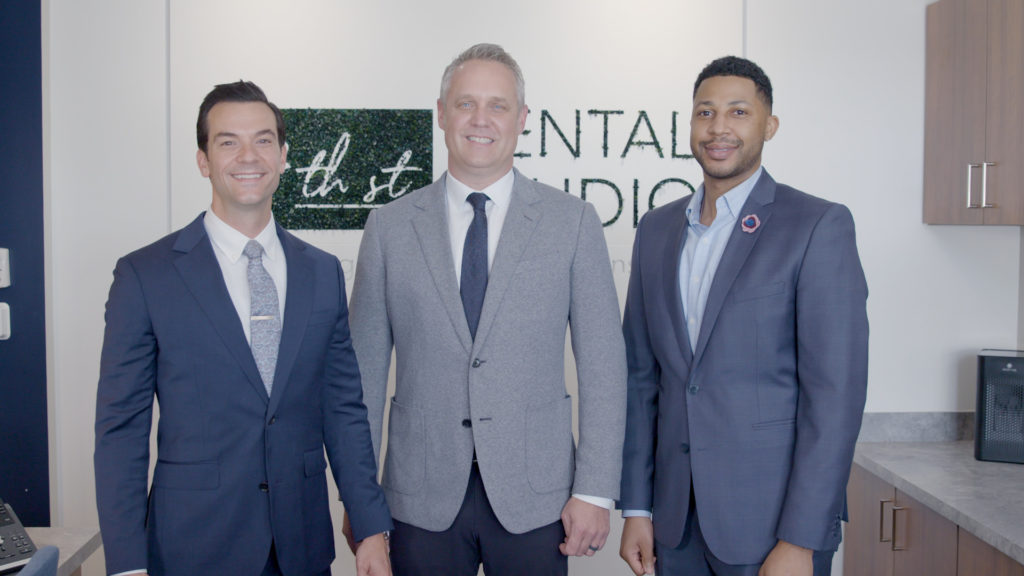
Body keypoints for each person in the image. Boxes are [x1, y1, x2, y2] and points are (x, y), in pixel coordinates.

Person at [347, 43, 627, 576]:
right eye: (465, 103)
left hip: (538, 496)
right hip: (418, 497)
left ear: (522, 119)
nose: (480, 120)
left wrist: (596, 488)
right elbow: (361, 378)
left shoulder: (572, 222)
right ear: (441, 113)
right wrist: (360, 502)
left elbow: (605, 368)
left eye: (497, 105)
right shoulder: (388, 227)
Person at [94, 80, 393, 576]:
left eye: (263, 140)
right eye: (227, 141)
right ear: (203, 160)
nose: (247, 156)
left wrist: (370, 528)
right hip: (193, 547)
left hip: (300, 546)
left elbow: (343, 409)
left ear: (283, 156)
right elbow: (121, 432)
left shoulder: (321, 272)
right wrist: (126, 564)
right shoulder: (145, 275)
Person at [617, 56, 869, 576]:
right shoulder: (656, 230)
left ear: (769, 125)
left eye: (738, 112)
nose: (719, 128)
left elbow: (834, 398)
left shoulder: (817, 225)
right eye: (705, 113)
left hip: (772, 530)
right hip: (675, 525)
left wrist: (800, 539)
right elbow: (642, 381)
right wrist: (638, 508)